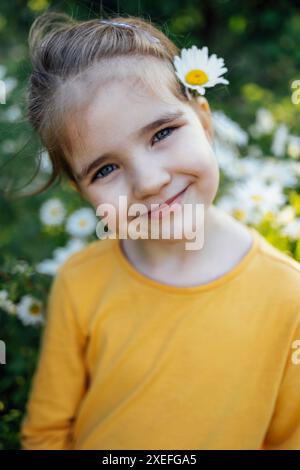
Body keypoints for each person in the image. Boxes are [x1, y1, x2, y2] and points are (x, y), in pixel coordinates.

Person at [21, 11, 300, 450]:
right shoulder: (80, 282)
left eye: (162, 133)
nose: (149, 181)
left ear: (204, 122)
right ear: (82, 191)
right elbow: (47, 433)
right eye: (106, 169)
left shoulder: (288, 294)